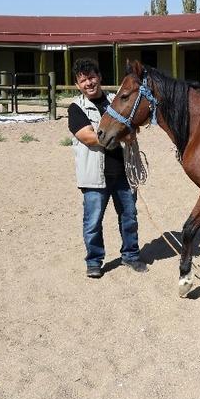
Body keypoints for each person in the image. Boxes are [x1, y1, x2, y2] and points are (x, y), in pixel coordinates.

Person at [67, 57, 147, 278]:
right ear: (77, 85)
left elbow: (134, 124)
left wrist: (130, 131)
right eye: (83, 80)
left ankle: (131, 255)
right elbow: (89, 137)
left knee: (129, 217)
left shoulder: (116, 100)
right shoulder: (76, 108)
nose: (89, 83)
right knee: (93, 222)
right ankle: (94, 261)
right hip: (94, 175)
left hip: (123, 172)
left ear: (100, 77)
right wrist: (122, 133)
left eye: (92, 77)